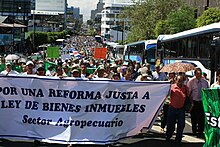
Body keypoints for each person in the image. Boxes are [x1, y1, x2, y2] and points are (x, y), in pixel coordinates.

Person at [166, 75, 189, 145]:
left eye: (181, 81)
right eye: (179, 81)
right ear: (176, 81)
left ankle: (178, 139)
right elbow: (166, 93)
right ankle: (168, 135)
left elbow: (188, 96)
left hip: (181, 109)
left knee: (181, 125)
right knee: (170, 124)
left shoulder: (185, 88)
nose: (180, 82)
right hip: (172, 108)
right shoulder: (172, 87)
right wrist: (168, 84)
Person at [187, 68, 209, 137]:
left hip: (202, 102)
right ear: (195, 74)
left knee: (201, 118)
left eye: (200, 73)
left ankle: (200, 131)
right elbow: (188, 92)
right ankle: (194, 130)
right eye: (197, 73)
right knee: (194, 117)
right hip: (194, 102)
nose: (199, 75)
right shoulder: (191, 82)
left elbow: (207, 91)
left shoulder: (205, 82)